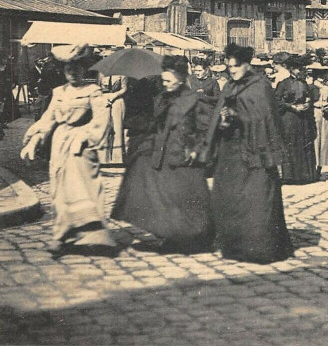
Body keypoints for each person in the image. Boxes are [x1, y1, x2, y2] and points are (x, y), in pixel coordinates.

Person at [111, 55, 214, 254]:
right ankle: (173, 236)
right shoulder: (161, 98)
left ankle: (197, 237)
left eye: (169, 80)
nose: (165, 84)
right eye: (163, 80)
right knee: (167, 197)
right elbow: (155, 123)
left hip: (186, 157)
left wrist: (197, 148)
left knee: (190, 199)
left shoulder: (194, 99)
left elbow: (205, 128)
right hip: (164, 153)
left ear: (181, 78)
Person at [20, 44, 116, 256]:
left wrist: (86, 136)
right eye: (68, 69)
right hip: (61, 146)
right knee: (60, 191)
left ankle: (94, 236)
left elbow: (102, 119)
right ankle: (60, 235)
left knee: (84, 191)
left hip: (81, 148)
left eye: (77, 68)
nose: (73, 73)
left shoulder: (93, 91)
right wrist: (33, 141)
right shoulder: (58, 93)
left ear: (83, 69)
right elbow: (48, 120)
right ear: (63, 71)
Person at [206, 43, 293, 263]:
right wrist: (224, 120)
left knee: (257, 198)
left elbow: (264, 117)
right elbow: (220, 115)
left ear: (247, 64)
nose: (232, 71)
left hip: (256, 152)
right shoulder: (229, 86)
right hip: (231, 152)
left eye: (236, 66)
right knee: (231, 197)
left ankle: (260, 246)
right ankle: (234, 244)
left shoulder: (260, 85)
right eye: (229, 67)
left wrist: (237, 114)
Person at [275, 55, 318, 184]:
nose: (300, 71)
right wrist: (292, 107)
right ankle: (290, 176)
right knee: (290, 145)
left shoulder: (304, 84)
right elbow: (276, 101)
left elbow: (309, 98)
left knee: (304, 144)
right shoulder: (283, 84)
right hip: (289, 119)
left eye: (301, 69)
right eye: (298, 69)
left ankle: (304, 175)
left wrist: (307, 104)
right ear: (291, 69)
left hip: (303, 119)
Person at [310, 71, 328, 178]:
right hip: (315, 113)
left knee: (324, 140)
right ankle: (313, 167)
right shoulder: (312, 87)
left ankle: (319, 168)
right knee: (315, 139)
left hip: (325, 115)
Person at [97, 74, 128, 165]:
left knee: (117, 129)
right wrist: (103, 99)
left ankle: (117, 159)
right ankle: (103, 159)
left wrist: (114, 95)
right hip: (104, 101)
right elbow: (98, 89)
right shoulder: (101, 74)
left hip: (117, 101)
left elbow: (124, 88)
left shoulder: (122, 74)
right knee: (104, 128)